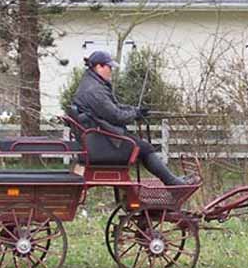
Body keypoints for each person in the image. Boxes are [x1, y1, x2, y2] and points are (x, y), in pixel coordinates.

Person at [71, 50, 194, 185]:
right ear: (99, 66)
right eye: (109, 67)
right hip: (102, 143)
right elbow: (116, 116)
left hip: (98, 139)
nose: (111, 71)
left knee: (141, 145)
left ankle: (172, 180)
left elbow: (114, 107)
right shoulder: (95, 90)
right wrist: (135, 114)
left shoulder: (91, 84)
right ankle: (172, 182)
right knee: (145, 148)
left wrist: (134, 110)